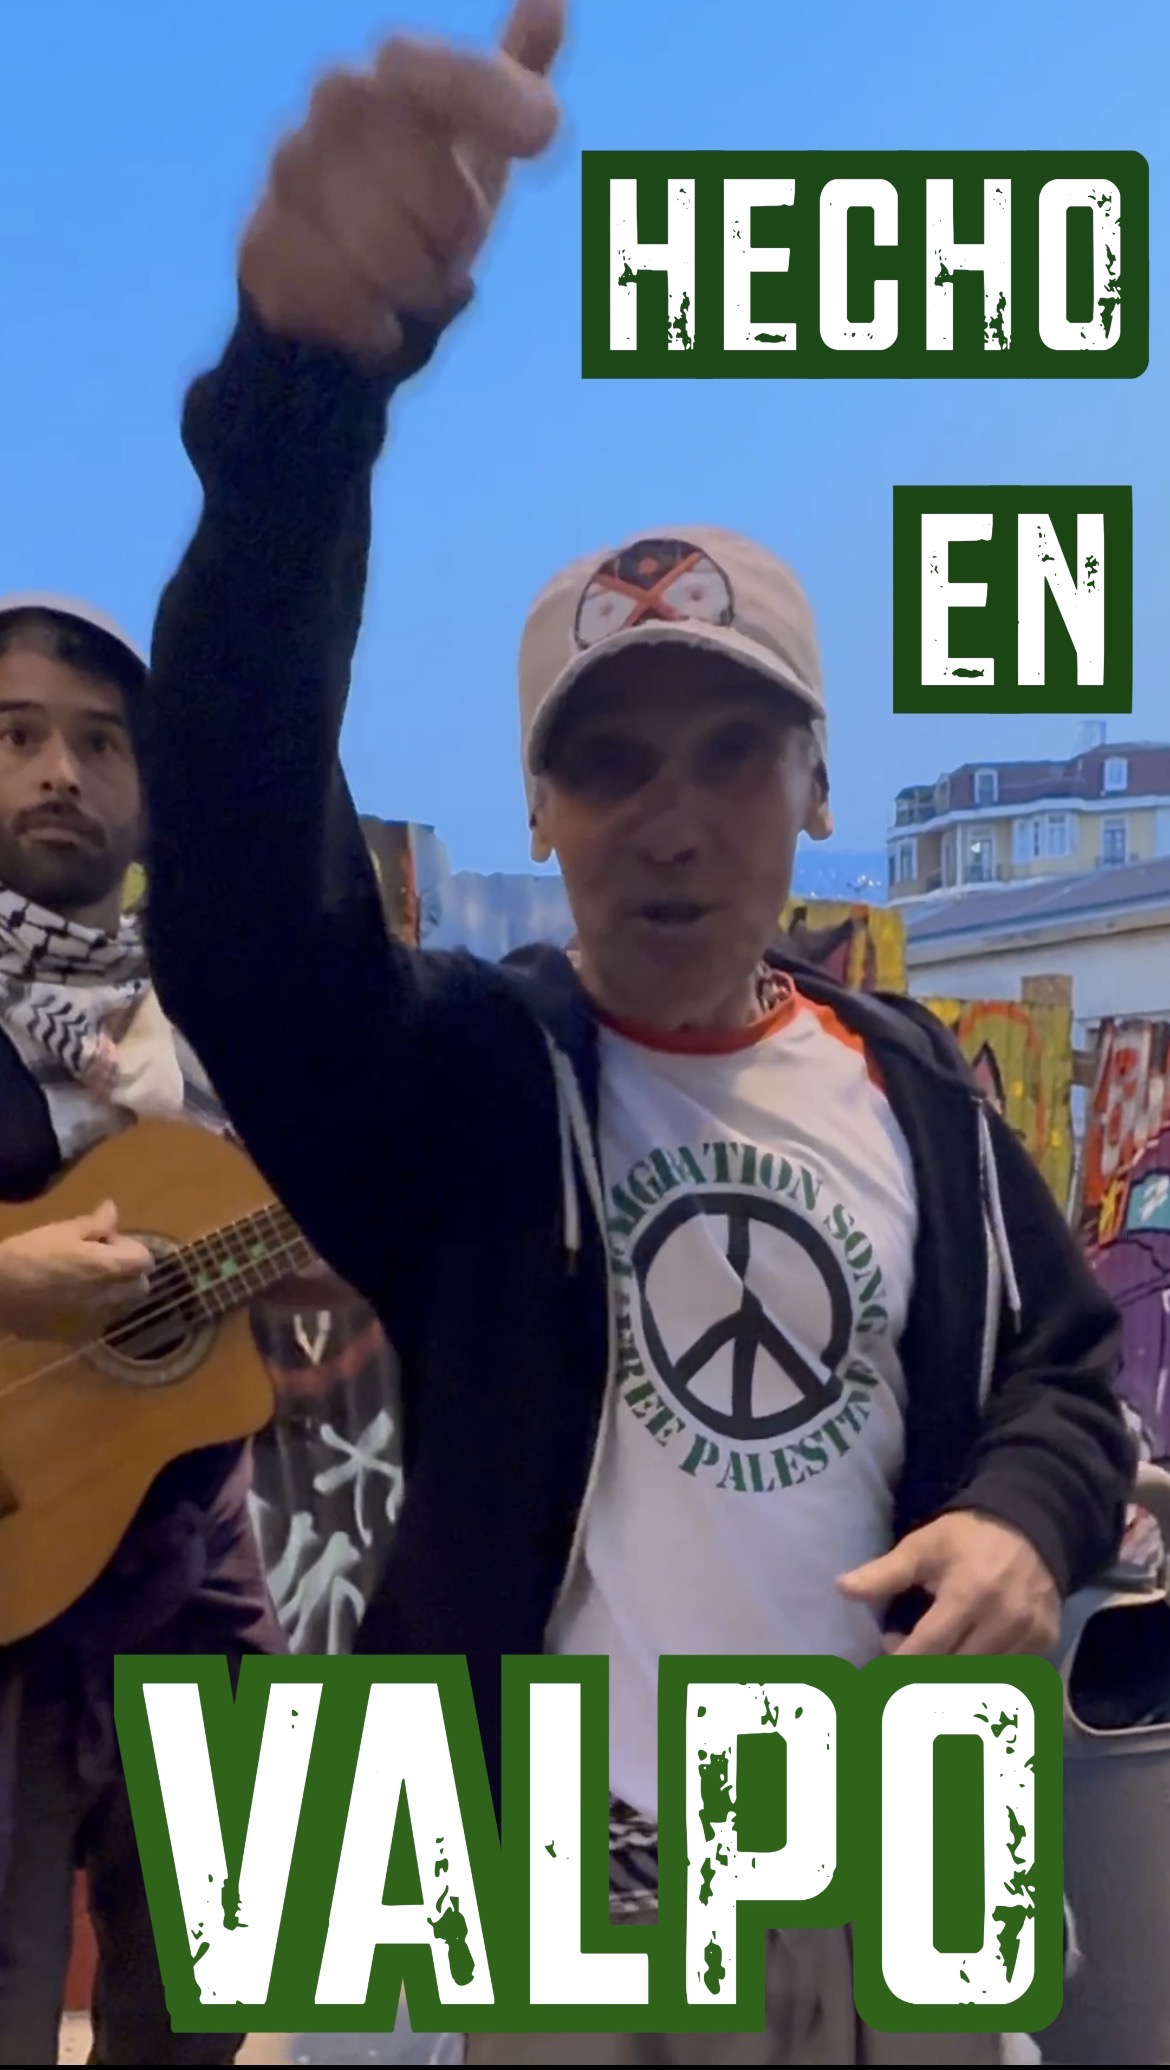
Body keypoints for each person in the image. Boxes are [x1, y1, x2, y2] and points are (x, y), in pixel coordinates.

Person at [136, 1, 1133, 2060]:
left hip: (872, 1875)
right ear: (539, 812)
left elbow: (1061, 1368)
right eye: (608, 763)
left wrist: (1023, 1523)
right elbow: (239, 881)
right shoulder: (466, 1092)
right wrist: (303, 402)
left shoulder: (925, 1095)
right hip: (532, 1899)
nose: (672, 818)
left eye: (731, 751)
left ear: (818, 782)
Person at [0, 594, 283, 2065]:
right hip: (14, 1554)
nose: (61, 770)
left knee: (204, 1995)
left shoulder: (202, 1021)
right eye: (17, 735)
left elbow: (272, 1254)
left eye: (102, 742)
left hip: (189, 1559)